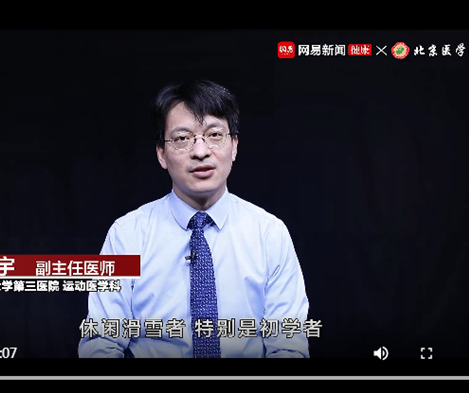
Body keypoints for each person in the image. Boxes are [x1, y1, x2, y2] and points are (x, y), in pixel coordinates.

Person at [78, 79, 310, 358]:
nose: (200, 152)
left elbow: (288, 344)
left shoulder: (269, 233)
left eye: (214, 135)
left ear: (234, 146)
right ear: (161, 154)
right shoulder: (127, 235)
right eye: (182, 139)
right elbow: (102, 341)